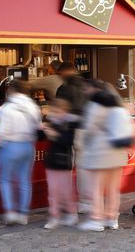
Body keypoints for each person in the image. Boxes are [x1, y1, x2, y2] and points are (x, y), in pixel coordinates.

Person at [79, 84, 134, 232]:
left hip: (100, 153)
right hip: (118, 153)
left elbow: (89, 128)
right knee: (113, 189)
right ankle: (112, 218)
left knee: (96, 188)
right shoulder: (119, 106)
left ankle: (96, 220)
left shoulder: (95, 105)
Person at [0, 79, 41, 225]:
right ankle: (23, 214)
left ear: (12, 91)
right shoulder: (33, 106)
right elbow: (37, 126)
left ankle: (10, 212)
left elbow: (1, 131)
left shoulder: (6, 108)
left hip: (10, 145)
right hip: (28, 145)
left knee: (6, 179)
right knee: (24, 180)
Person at [55, 62, 91, 214]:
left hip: (70, 131)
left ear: (63, 73)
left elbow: (59, 112)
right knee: (83, 168)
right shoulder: (86, 86)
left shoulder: (64, 89)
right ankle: (85, 202)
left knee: (67, 167)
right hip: (86, 130)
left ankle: (66, 201)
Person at [40, 98, 81, 229]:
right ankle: (54, 216)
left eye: (57, 111)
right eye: (53, 110)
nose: (55, 113)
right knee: (53, 191)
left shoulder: (71, 123)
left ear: (64, 111)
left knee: (66, 191)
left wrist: (54, 134)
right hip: (52, 161)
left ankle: (71, 214)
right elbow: (39, 137)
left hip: (64, 161)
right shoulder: (51, 121)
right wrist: (42, 129)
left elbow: (69, 141)